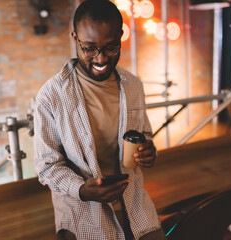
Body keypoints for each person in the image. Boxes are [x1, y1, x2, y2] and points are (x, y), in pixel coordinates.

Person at [34, 0, 164, 239]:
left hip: (136, 207)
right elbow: (47, 166)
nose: (101, 59)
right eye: (89, 48)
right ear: (75, 38)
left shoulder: (132, 85)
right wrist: (82, 190)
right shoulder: (51, 96)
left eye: (111, 47)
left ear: (121, 37)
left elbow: (144, 135)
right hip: (82, 215)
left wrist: (148, 150)